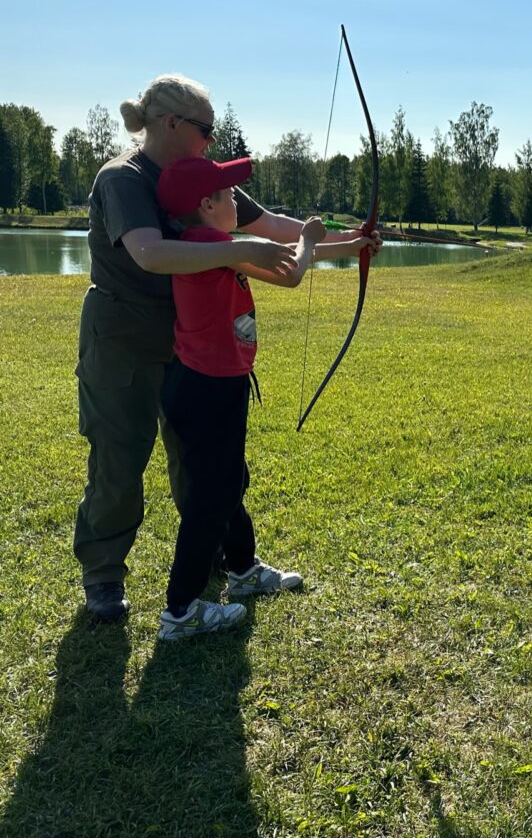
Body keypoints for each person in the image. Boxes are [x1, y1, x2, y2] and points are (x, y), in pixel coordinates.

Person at [76, 74, 379, 622]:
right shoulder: (125, 178)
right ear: (172, 123)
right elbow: (151, 253)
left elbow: (274, 228)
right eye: (205, 130)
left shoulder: (208, 180)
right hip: (123, 335)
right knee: (119, 458)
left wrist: (351, 241)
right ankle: (103, 575)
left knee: (201, 461)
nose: (211, 141)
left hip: (189, 340)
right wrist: (241, 250)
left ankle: (217, 552)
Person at [153, 156, 371, 639]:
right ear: (207, 204)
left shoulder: (208, 245)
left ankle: (243, 569)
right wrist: (309, 238)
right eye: (230, 195)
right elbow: (291, 271)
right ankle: (180, 610)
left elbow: (283, 260)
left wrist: (352, 244)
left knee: (229, 480)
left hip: (213, 384)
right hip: (205, 388)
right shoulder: (209, 244)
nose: (237, 201)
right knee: (212, 495)